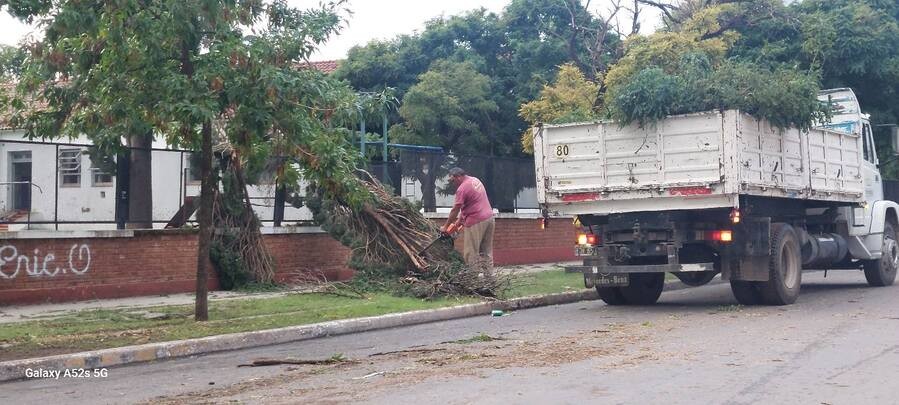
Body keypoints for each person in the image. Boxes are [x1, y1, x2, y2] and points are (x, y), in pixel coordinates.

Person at [441, 167, 495, 272]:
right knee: (486, 252)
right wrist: (459, 221)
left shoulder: (462, 189)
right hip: (489, 218)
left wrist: (446, 227)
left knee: (471, 253)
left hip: (476, 221)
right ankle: (490, 281)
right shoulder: (475, 180)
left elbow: (455, 209)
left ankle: (472, 282)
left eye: (452, 180)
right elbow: (470, 203)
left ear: (458, 177)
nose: (453, 183)